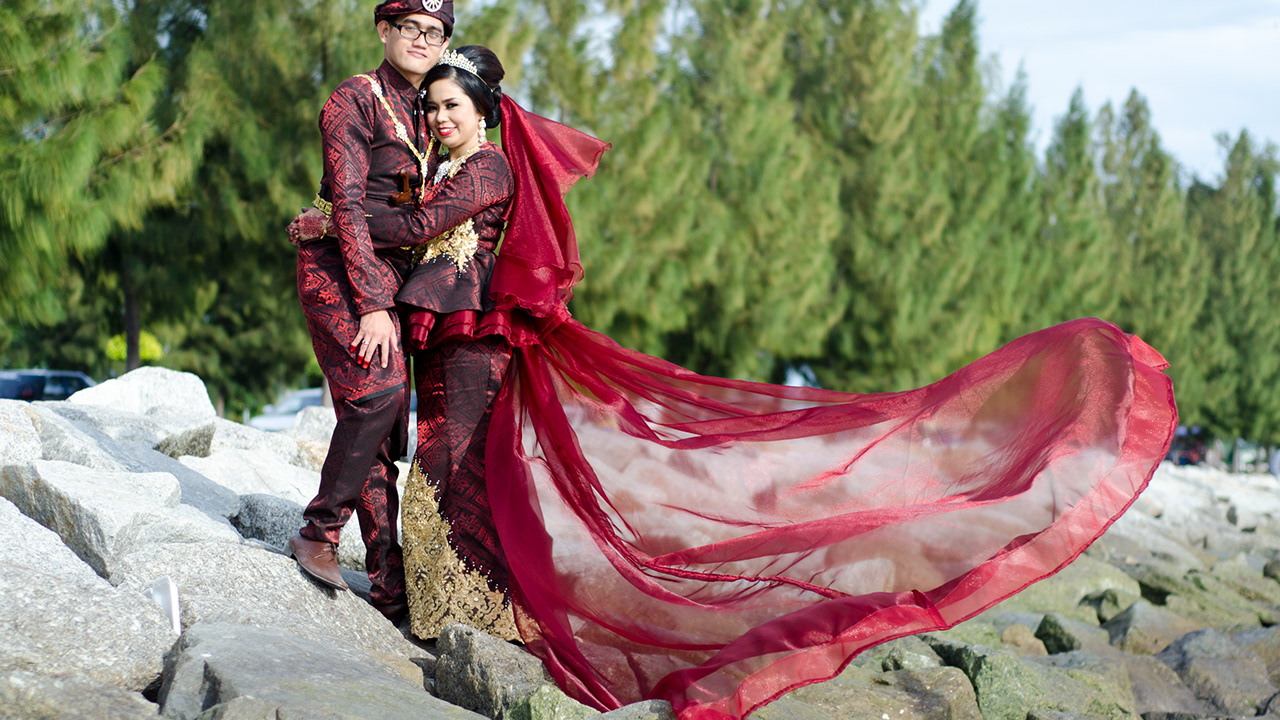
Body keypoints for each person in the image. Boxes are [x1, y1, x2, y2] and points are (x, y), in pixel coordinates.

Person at [292, 46, 1177, 720]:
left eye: (452, 105)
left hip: (474, 348)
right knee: (451, 474)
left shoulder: (485, 167)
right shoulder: (454, 164)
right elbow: (418, 226)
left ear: (486, 111)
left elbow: (417, 226)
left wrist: (332, 217)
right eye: (433, 107)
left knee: (452, 472)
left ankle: (477, 620)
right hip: (454, 343)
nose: (439, 117)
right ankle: (455, 611)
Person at [287, 0, 454, 622]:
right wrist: (374, 304)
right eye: (410, 28)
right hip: (338, 269)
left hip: (401, 277)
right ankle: (318, 530)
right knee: (379, 396)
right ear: (384, 30)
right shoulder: (354, 99)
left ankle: (388, 583)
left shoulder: (438, 106)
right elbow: (350, 207)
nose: (422, 40)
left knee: (385, 429)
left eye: (435, 32)